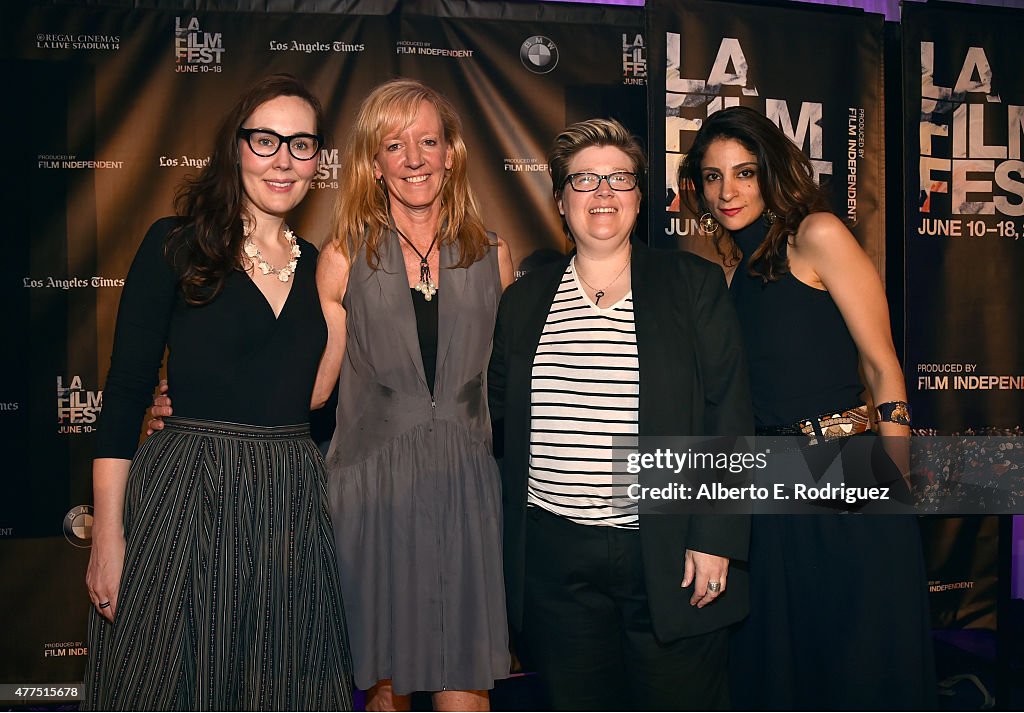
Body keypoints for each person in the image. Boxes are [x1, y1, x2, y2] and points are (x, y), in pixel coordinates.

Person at [83, 74, 353, 711]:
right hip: (187, 493)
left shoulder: (322, 266)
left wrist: (337, 319)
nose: (284, 159)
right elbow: (124, 394)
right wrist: (107, 537)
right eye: (266, 140)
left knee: (287, 683)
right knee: (167, 684)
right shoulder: (176, 244)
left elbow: (318, 401)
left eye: (302, 144)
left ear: (319, 160)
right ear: (236, 148)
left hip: (292, 498)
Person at [488, 118, 753, 711]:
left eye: (619, 179)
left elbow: (728, 416)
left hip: (667, 549)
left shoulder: (692, 283)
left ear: (639, 197)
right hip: (557, 565)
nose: (602, 193)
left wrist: (715, 538)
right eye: (584, 180)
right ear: (560, 199)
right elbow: (492, 412)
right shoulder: (524, 299)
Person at [679, 105, 934, 709]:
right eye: (713, 177)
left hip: (846, 473)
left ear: (772, 171)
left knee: (859, 659)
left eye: (744, 172)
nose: (728, 190)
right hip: (770, 487)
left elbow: (882, 364)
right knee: (791, 664)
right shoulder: (733, 272)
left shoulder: (816, 234)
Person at [314, 79, 515, 711]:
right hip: (375, 490)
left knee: (466, 690)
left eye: (428, 141)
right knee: (386, 690)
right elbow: (313, 387)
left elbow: (518, 384)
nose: (414, 158)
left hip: (465, 487)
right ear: (374, 163)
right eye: (394, 145)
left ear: (452, 152)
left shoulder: (494, 257)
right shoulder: (343, 258)